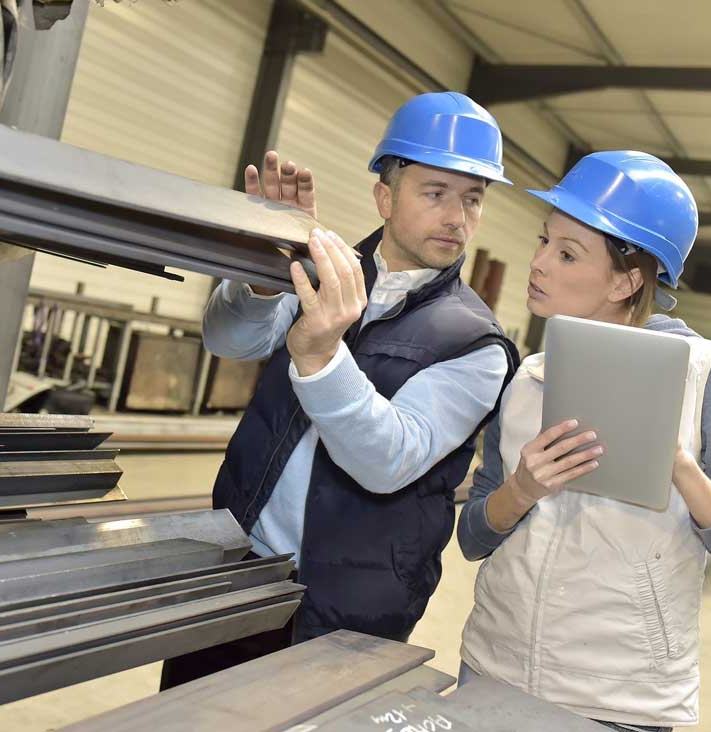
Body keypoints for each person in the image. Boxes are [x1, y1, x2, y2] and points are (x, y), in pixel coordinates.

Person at [161, 92, 519, 688]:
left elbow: (388, 459)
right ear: (385, 195)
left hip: (348, 610)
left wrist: (322, 356)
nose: (458, 218)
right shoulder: (322, 268)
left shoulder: (476, 343)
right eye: (436, 193)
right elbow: (228, 340)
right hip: (240, 569)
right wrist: (262, 273)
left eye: (473, 200)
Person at [457, 151, 711, 731]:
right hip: (491, 670)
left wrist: (681, 468)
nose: (537, 264)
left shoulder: (704, 375)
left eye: (566, 254)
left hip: (621, 708)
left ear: (628, 280)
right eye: (543, 242)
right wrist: (522, 489)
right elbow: (473, 537)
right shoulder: (527, 378)